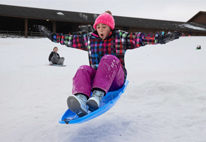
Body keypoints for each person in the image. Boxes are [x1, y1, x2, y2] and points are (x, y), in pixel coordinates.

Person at [38, 11, 181, 117]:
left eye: (104, 27)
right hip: (97, 80)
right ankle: (81, 99)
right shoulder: (89, 39)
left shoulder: (121, 37)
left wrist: (160, 38)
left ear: (110, 28)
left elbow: (140, 38)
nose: (100, 30)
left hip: (115, 80)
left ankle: (97, 96)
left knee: (108, 59)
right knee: (84, 69)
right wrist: (52, 36)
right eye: (98, 27)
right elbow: (69, 39)